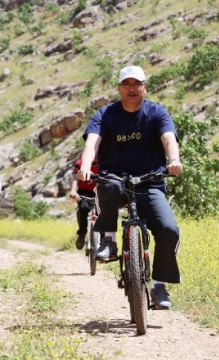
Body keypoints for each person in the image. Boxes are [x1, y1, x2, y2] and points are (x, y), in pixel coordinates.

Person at [77, 65, 183, 310]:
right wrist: (86, 164)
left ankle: (159, 286)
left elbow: (168, 138)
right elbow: (92, 143)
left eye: (137, 84)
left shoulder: (156, 112)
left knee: (169, 229)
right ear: (119, 88)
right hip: (115, 178)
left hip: (150, 181)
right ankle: (109, 241)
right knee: (108, 187)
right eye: (127, 84)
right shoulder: (105, 114)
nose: (132, 88)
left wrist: (174, 160)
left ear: (145, 87)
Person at [69, 156, 99, 250]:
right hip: (85, 191)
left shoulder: (104, 160)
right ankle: (82, 234)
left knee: (103, 213)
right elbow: (75, 179)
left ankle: (103, 239)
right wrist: (73, 191)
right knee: (83, 207)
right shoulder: (80, 162)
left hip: (100, 190)